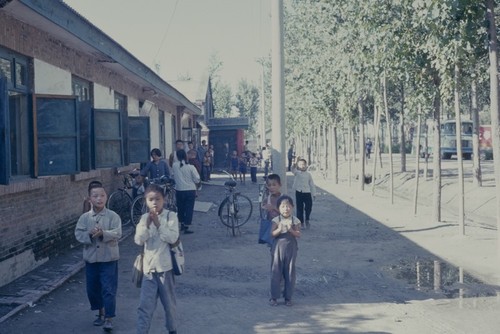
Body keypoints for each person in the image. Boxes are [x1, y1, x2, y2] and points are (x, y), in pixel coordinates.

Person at [75, 181, 122, 331]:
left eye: (102, 195)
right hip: (91, 259)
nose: (99, 199)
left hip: (109, 258)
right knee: (93, 288)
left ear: (106, 197)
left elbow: (118, 232)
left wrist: (104, 234)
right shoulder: (85, 218)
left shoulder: (113, 216)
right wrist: (89, 233)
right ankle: (100, 312)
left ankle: (109, 318)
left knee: (108, 288)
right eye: (95, 196)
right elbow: (78, 234)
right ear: (90, 199)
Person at [134, 184, 179, 334]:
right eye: (150, 199)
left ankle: (172, 330)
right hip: (148, 270)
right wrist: (146, 225)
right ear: (145, 202)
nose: (154, 203)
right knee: (144, 306)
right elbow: (138, 240)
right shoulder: (143, 218)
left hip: (165, 268)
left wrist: (159, 225)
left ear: (164, 200)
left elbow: (173, 238)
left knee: (169, 306)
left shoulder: (170, 216)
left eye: (158, 199)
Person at [269, 195, 301, 307]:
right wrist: (279, 229)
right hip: (278, 248)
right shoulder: (276, 220)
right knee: (276, 272)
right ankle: (274, 297)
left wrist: (291, 229)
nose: (286, 209)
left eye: (288, 206)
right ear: (279, 208)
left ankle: (288, 297)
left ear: (292, 207)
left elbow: (298, 234)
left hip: (291, 249)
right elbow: (271, 234)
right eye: (283, 206)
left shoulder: (295, 220)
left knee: (290, 272)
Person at [172, 149, 200, 234]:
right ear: (185, 156)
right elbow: (197, 179)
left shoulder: (174, 165)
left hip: (179, 189)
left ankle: (181, 224)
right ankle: (187, 226)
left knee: (180, 208)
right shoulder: (191, 167)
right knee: (189, 208)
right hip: (190, 190)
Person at [292, 157, 316, 229]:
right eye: (300, 165)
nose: (302, 166)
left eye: (303, 164)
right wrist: (295, 163)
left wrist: (313, 194)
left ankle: (307, 219)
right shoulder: (297, 173)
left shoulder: (308, 174)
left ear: (306, 165)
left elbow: (311, 184)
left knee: (308, 207)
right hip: (299, 192)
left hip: (307, 192)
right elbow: (293, 169)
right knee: (299, 208)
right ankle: (301, 222)